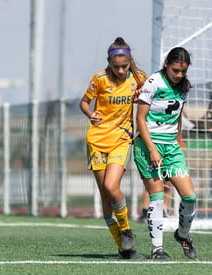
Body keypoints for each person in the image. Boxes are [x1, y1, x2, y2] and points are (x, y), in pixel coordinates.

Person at [79, 37, 146, 260]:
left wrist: (143, 120)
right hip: (97, 140)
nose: (119, 70)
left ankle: (126, 229)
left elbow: (150, 100)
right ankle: (124, 249)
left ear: (130, 62)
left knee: (111, 185)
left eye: (123, 66)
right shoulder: (99, 79)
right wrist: (90, 113)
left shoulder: (139, 78)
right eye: (115, 66)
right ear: (109, 62)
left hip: (121, 139)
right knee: (105, 197)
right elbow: (84, 102)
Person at [133, 47, 197, 260]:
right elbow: (140, 119)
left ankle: (182, 235)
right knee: (157, 196)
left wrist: (179, 140)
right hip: (148, 146)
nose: (179, 75)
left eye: (183, 71)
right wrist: (152, 149)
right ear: (167, 64)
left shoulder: (184, 87)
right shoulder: (154, 82)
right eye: (175, 70)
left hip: (171, 148)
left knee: (190, 196)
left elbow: (177, 116)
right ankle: (157, 249)